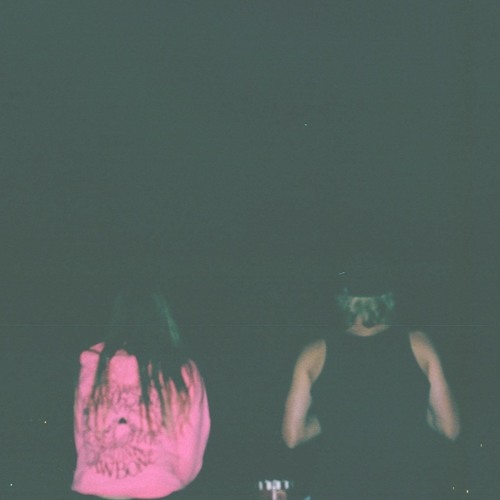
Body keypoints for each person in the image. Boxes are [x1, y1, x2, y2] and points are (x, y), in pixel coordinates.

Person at [281, 255, 460, 499]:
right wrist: (408, 412)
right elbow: (450, 428)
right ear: (388, 298)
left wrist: (336, 416)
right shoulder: (419, 345)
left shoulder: (314, 353)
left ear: (342, 299)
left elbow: (292, 436)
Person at [72, 282, 210, 499]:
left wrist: (97, 472)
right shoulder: (179, 369)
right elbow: (191, 440)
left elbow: (82, 432)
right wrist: (171, 480)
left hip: (96, 488)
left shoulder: (94, 366)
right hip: (157, 488)